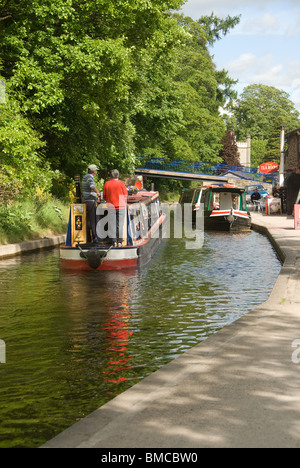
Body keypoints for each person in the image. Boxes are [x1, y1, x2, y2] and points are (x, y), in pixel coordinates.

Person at [103, 169, 128, 246]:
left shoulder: (107, 184)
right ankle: (119, 242)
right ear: (118, 175)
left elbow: (104, 196)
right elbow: (125, 196)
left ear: (111, 175)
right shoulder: (121, 184)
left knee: (112, 224)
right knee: (120, 224)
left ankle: (113, 241)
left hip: (111, 207)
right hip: (120, 207)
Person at [82, 164, 101, 242]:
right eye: (96, 170)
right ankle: (95, 237)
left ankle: (90, 237)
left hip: (87, 199)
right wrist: (98, 193)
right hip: (90, 200)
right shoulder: (89, 177)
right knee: (94, 219)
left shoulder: (86, 176)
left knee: (91, 219)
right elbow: (92, 186)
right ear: (94, 171)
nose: (96, 171)